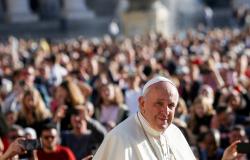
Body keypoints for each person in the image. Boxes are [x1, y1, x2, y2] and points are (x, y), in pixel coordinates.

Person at [93, 76, 196, 160]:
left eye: (171, 105)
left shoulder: (175, 133)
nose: (166, 111)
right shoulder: (119, 138)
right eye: (159, 104)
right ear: (142, 104)